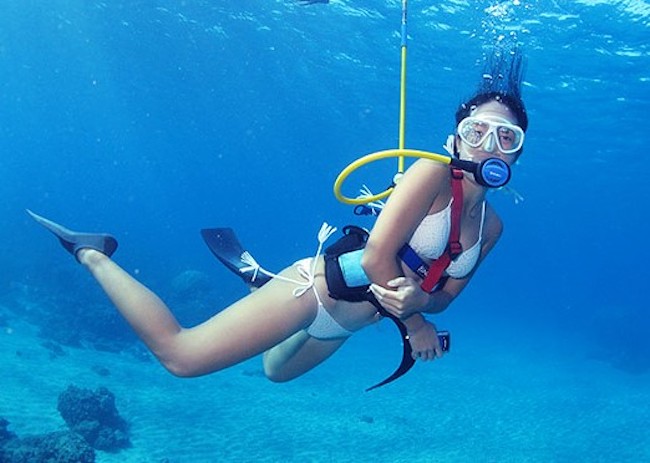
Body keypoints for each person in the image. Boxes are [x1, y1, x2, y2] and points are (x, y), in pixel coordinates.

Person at [29, 48, 528, 388]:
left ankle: (256, 284)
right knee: (182, 358)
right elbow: (377, 257)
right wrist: (415, 320)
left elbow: (447, 297)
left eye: (507, 138)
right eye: (478, 130)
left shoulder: (494, 228)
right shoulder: (431, 174)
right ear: (457, 136)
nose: (490, 146)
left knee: (274, 373)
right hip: (315, 290)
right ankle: (92, 252)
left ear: (518, 154)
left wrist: (425, 302)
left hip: (352, 321)